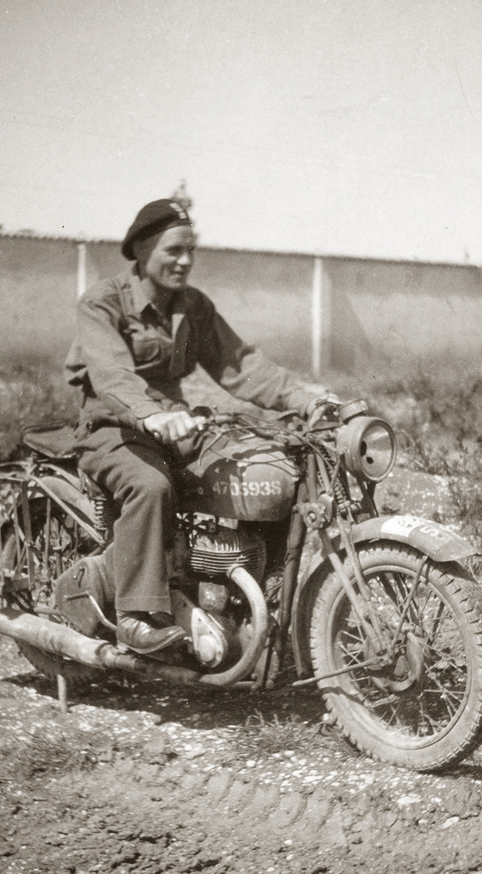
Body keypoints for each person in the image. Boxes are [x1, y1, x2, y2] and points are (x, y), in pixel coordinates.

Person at [64, 198, 334, 656]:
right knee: (150, 486)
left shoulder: (193, 307)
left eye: (191, 250)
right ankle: (135, 616)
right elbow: (112, 376)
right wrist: (152, 414)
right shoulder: (102, 302)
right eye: (173, 251)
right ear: (143, 250)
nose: (185, 261)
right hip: (112, 428)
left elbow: (241, 365)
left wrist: (306, 401)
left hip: (178, 427)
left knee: (269, 472)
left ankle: (259, 602)